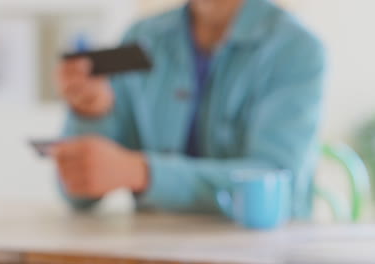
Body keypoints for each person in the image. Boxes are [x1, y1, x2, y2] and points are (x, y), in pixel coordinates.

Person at [52, 0, 326, 219]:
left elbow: (275, 182)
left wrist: (144, 173)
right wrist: (92, 113)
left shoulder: (297, 49)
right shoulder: (143, 37)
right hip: (151, 246)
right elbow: (77, 196)